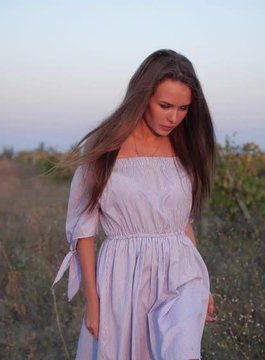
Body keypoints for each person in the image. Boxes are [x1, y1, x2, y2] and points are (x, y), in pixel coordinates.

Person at [52, 49, 216, 360]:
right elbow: (84, 231)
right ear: (142, 97)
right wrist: (94, 303)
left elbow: (183, 224)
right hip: (123, 277)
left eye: (183, 108)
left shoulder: (185, 149)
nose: (174, 117)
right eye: (165, 105)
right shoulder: (105, 149)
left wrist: (203, 287)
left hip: (180, 274)